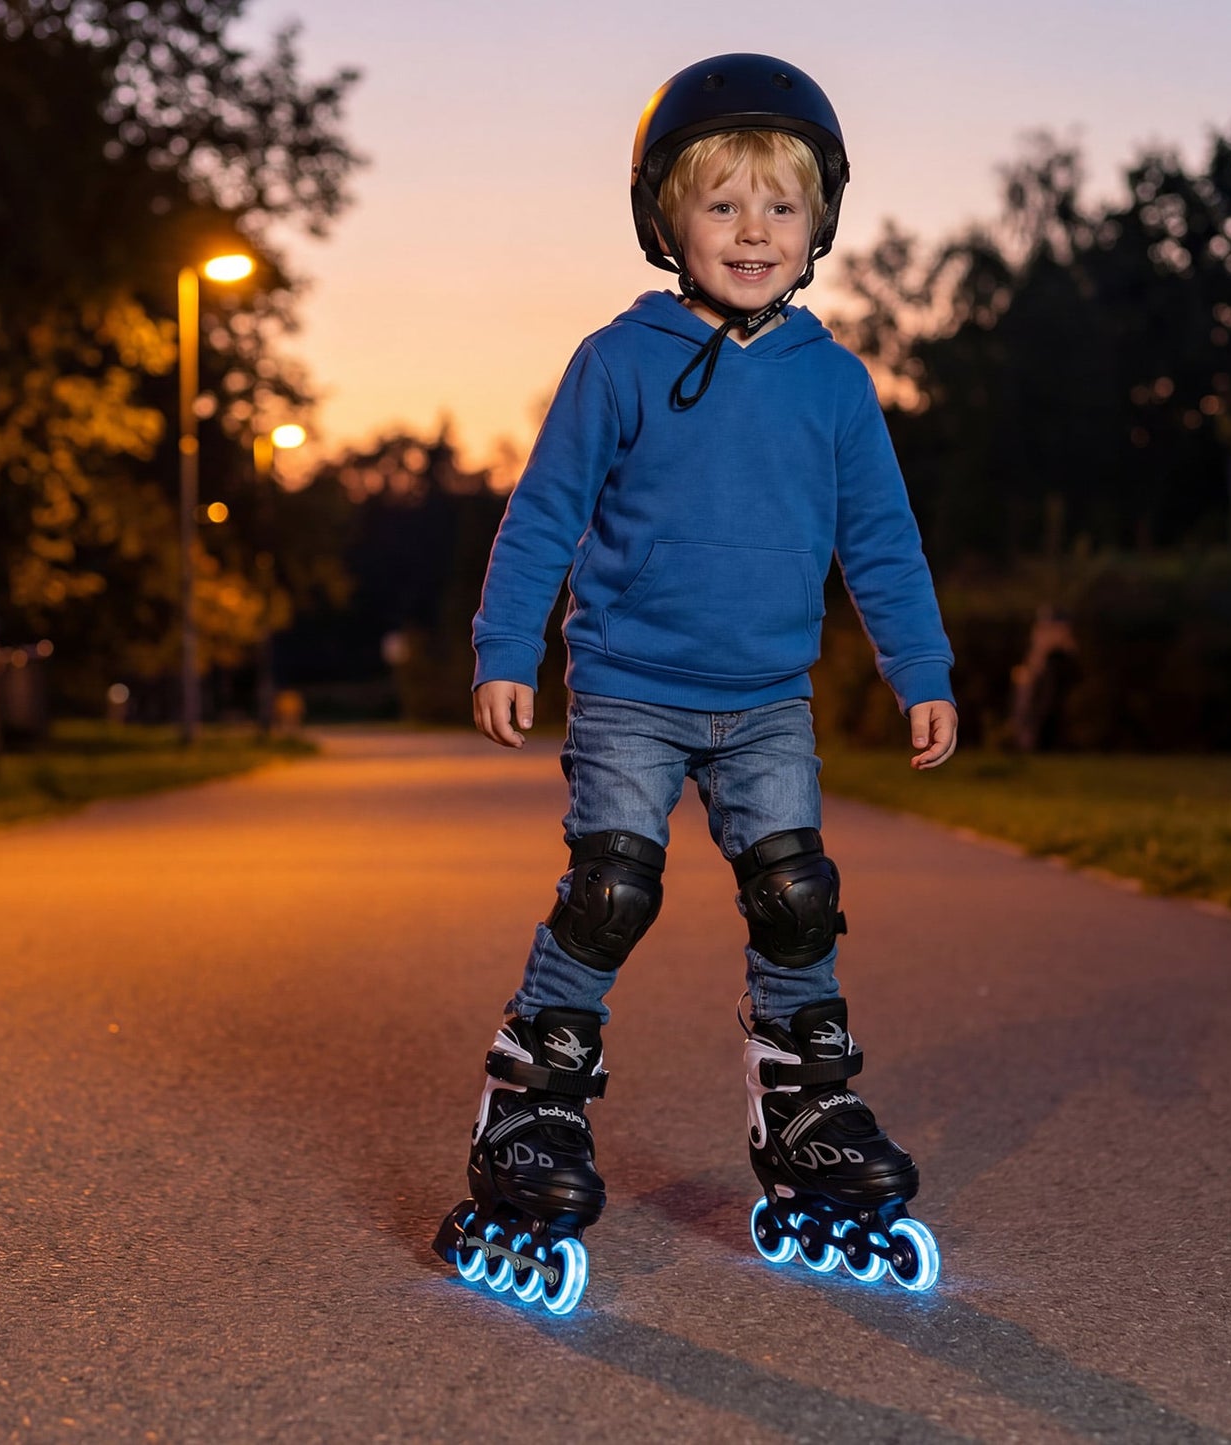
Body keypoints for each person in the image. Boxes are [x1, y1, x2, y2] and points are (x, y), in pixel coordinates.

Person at [434, 54, 957, 1311]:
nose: (751, 232)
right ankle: (529, 1108)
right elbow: (544, 510)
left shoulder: (832, 382)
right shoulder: (617, 360)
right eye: (720, 204)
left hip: (768, 694)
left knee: (793, 894)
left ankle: (808, 1113)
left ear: (817, 223)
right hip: (628, 683)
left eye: (778, 206)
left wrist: (918, 665)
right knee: (612, 886)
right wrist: (505, 646)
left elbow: (878, 536)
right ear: (663, 219)